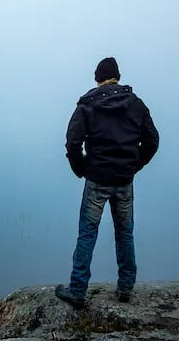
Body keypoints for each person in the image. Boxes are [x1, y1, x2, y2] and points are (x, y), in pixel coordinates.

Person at [56, 57, 159, 307]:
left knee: (87, 234)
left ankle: (78, 290)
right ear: (118, 76)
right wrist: (134, 165)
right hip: (124, 180)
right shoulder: (136, 105)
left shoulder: (87, 105)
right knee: (125, 234)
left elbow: (72, 143)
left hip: (97, 179)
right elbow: (152, 141)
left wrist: (81, 168)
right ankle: (125, 288)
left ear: (97, 78)